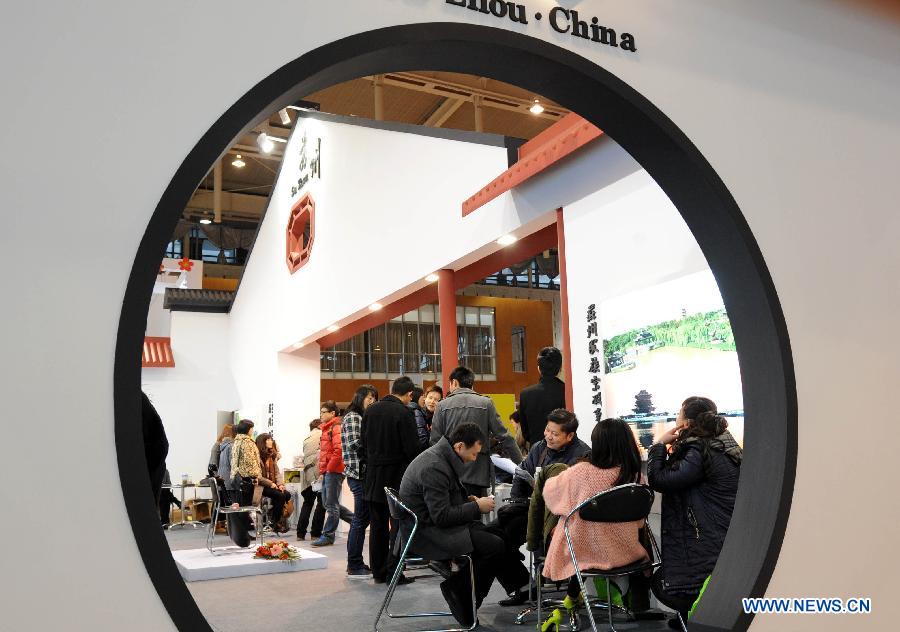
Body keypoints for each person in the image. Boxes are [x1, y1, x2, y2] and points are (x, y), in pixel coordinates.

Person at [400, 423, 529, 627]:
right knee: (494, 545)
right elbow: (441, 516)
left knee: (498, 534)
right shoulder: (434, 466)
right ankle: (461, 594)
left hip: (433, 525)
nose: (474, 458)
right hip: (427, 533)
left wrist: (467, 502)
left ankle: (521, 584)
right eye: (474, 453)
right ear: (460, 446)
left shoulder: (442, 458)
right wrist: (476, 507)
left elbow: (442, 503)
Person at [539, 418, 649, 631]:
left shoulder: (581, 472)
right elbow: (638, 521)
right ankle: (585, 595)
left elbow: (550, 495)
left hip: (585, 551)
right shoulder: (634, 475)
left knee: (567, 520)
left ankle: (570, 598)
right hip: (627, 551)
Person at [647, 396, 742, 628]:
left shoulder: (699, 450)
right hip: (719, 528)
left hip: (704, 532)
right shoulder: (722, 443)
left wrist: (658, 446)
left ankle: (694, 621)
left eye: (678, 414)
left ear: (686, 423)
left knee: (685, 585)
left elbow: (660, 480)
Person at [491, 408, 591, 607]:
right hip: (532, 511)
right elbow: (521, 474)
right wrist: (517, 501)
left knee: (499, 537)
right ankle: (523, 587)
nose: (549, 436)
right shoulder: (539, 448)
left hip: (563, 518)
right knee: (492, 539)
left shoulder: (583, 454)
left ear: (570, 435)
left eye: (555, 434)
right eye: (547, 430)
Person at [358, 375, 421, 584]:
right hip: (396, 477)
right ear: (409, 394)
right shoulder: (404, 412)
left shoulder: (371, 410)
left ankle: (378, 571)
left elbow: (363, 445)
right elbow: (411, 449)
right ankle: (394, 572)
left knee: (377, 526)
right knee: (397, 526)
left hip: (373, 477)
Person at [430, 366, 522, 497]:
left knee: (455, 513)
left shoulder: (442, 406)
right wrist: (522, 466)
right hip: (478, 473)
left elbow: (434, 441)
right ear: (471, 383)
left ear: (454, 382)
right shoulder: (486, 403)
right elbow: (505, 437)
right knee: (477, 511)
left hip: (451, 474)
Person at [341, 384, 379, 578]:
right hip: (359, 475)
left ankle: (354, 563)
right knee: (360, 520)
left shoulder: (361, 417)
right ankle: (354, 564)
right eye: (369, 397)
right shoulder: (354, 417)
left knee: (361, 520)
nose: (371, 401)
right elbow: (357, 443)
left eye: (374, 398)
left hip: (360, 476)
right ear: (360, 397)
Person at [313, 401, 354, 546]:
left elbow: (339, 451)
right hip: (329, 471)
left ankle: (328, 535)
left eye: (324, 412)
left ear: (333, 413)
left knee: (331, 504)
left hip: (335, 470)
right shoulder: (326, 428)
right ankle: (356, 521)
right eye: (321, 412)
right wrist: (324, 470)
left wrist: (329, 468)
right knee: (328, 503)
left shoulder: (335, 427)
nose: (321, 414)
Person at [518, 347, 566, 447]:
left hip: (537, 454)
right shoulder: (568, 392)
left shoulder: (525, 394)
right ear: (560, 368)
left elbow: (525, 433)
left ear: (539, 368)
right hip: (565, 453)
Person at [229, 419, 260, 546]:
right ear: (248, 429)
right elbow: (249, 461)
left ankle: (242, 535)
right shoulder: (246, 442)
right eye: (252, 428)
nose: (252, 430)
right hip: (246, 478)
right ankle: (244, 536)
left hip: (238, 478)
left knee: (241, 506)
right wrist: (256, 474)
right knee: (245, 507)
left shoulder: (237, 441)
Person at [255, 433, 292, 533]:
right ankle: (275, 522)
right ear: (262, 442)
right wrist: (271, 483)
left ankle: (274, 517)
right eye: (268, 440)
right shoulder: (256, 457)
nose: (271, 441)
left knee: (286, 494)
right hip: (260, 486)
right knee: (279, 496)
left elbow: (277, 473)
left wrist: (280, 484)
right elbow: (258, 476)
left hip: (272, 484)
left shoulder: (271, 455)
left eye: (271, 439)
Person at [297, 418, 325, 541]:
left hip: (307, 474)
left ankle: (300, 534)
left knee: (307, 503)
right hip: (319, 472)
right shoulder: (322, 434)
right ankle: (315, 533)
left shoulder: (306, 438)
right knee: (321, 503)